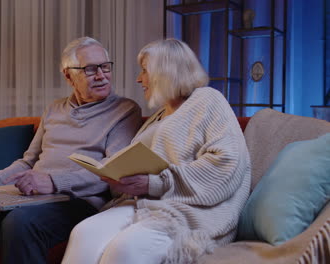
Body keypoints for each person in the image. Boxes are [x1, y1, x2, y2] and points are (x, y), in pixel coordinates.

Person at [0, 37, 142, 264]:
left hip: (79, 201)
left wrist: (53, 181)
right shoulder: (54, 109)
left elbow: (113, 172)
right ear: (68, 75)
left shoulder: (124, 111)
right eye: (90, 69)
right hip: (33, 197)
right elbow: (28, 162)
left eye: (105, 66)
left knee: (20, 222)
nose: (101, 76)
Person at [62, 38, 251, 264]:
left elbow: (226, 163)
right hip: (145, 204)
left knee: (124, 249)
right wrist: (121, 179)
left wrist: (154, 183)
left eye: (144, 71)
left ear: (165, 71)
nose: (139, 79)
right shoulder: (160, 115)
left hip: (188, 211)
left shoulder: (208, 99)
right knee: (85, 232)